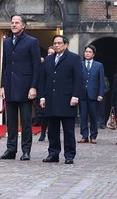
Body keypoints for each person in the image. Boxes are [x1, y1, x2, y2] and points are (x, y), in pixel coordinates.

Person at [0, 14, 40, 161]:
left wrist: (33, 86)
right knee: (11, 122)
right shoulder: (7, 42)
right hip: (9, 86)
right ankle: (11, 149)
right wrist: (2, 86)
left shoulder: (32, 42)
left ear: (23, 25)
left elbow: (36, 66)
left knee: (26, 122)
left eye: (17, 23)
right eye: (12, 22)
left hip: (25, 87)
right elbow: (5, 66)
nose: (14, 25)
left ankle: (26, 150)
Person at [40, 35, 83, 165]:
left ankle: (69, 155)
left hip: (67, 99)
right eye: (54, 43)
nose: (56, 45)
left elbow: (78, 79)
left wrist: (75, 96)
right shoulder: (48, 59)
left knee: (68, 130)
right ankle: (53, 153)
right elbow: (43, 79)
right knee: (52, 130)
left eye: (59, 43)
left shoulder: (74, 58)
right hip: (51, 99)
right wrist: (42, 96)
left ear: (65, 45)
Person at [78, 44, 106, 144]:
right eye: (86, 52)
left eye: (90, 52)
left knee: (94, 116)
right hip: (82, 94)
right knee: (83, 116)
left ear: (93, 54)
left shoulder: (98, 65)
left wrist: (101, 94)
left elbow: (101, 81)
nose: (87, 53)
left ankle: (93, 136)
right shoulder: (79, 64)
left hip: (94, 94)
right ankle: (84, 135)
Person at [37, 46, 55, 141]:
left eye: (52, 53)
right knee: (43, 115)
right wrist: (41, 96)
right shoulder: (44, 64)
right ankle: (43, 133)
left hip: (55, 93)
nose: (50, 55)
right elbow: (41, 79)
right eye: (49, 53)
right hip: (45, 92)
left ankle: (52, 133)